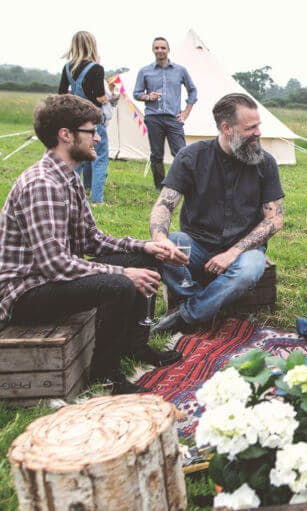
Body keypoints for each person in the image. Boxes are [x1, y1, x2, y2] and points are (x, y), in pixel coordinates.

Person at [0, 95, 182, 394]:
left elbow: (91, 239)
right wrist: (122, 275)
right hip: (25, 293)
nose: (98, 137)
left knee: (142, 262)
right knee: (119, 284)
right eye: (91, 131)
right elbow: (55, 265)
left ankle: (133, 347)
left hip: (48, 279)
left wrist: (143, 246)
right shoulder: (43, 183)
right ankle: (105, 375)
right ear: (66, 135)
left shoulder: (67, 178)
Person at [149, 93, 284, 336]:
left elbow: (275, 219)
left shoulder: (266, 162)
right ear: (226, 128)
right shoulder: (191, 156)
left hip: (244, 251)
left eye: (258, 125)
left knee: (250, 269)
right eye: (250, 127)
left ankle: (187, 315)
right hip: (196, 245)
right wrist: (160, 239)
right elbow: (164, 205)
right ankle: (207, 305)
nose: (258, 132)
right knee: (165, 246)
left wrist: (233, 252)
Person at [133, 36, 197, 189]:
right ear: (153, 50)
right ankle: (160, 186)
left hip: (174, 118)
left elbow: (193, 91)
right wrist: (149, 96)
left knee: (181, 152)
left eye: (163, 48)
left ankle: (184, 183)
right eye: (157, 48)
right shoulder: (145, 71)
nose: (160, 50)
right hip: (153, 117)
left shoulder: (180, 70)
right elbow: (136, 93)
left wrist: (186, 112)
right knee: (156, 154)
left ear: (168, 50)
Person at [58, 31, 110, 204]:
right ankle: (97, 199)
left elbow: (61, 94)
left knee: (77, 158)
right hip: (94, 121)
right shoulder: (96, 68)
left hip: (75, 120)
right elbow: (100, 97)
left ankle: (71, 196)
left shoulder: (68, 67)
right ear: (92, 45)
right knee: (99, 158)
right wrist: (108, 98)